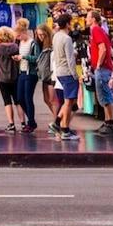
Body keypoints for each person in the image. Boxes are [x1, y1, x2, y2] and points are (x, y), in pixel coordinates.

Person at [48, 12, 79, 141]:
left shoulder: (56, 36)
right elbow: (70, 58)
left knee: (68, 101)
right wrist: (75, 74)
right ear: (67, 24)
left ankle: (58, 123)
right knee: (69, 102)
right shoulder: (67, 39)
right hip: (67, 71)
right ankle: (63, 127)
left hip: (59, 71)